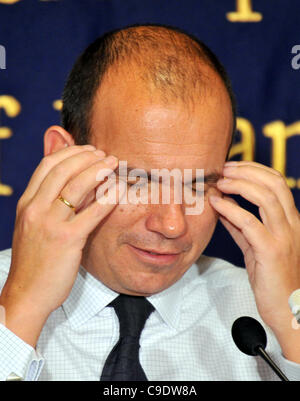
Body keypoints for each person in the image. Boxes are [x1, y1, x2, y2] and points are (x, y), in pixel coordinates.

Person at [0, 23, 299, 381]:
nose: (172, 225)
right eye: (138, 181)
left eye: (197, 187)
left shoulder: (267, 311)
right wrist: (21, 311)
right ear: (61, 159)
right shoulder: (11, 300)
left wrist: (291, 325)